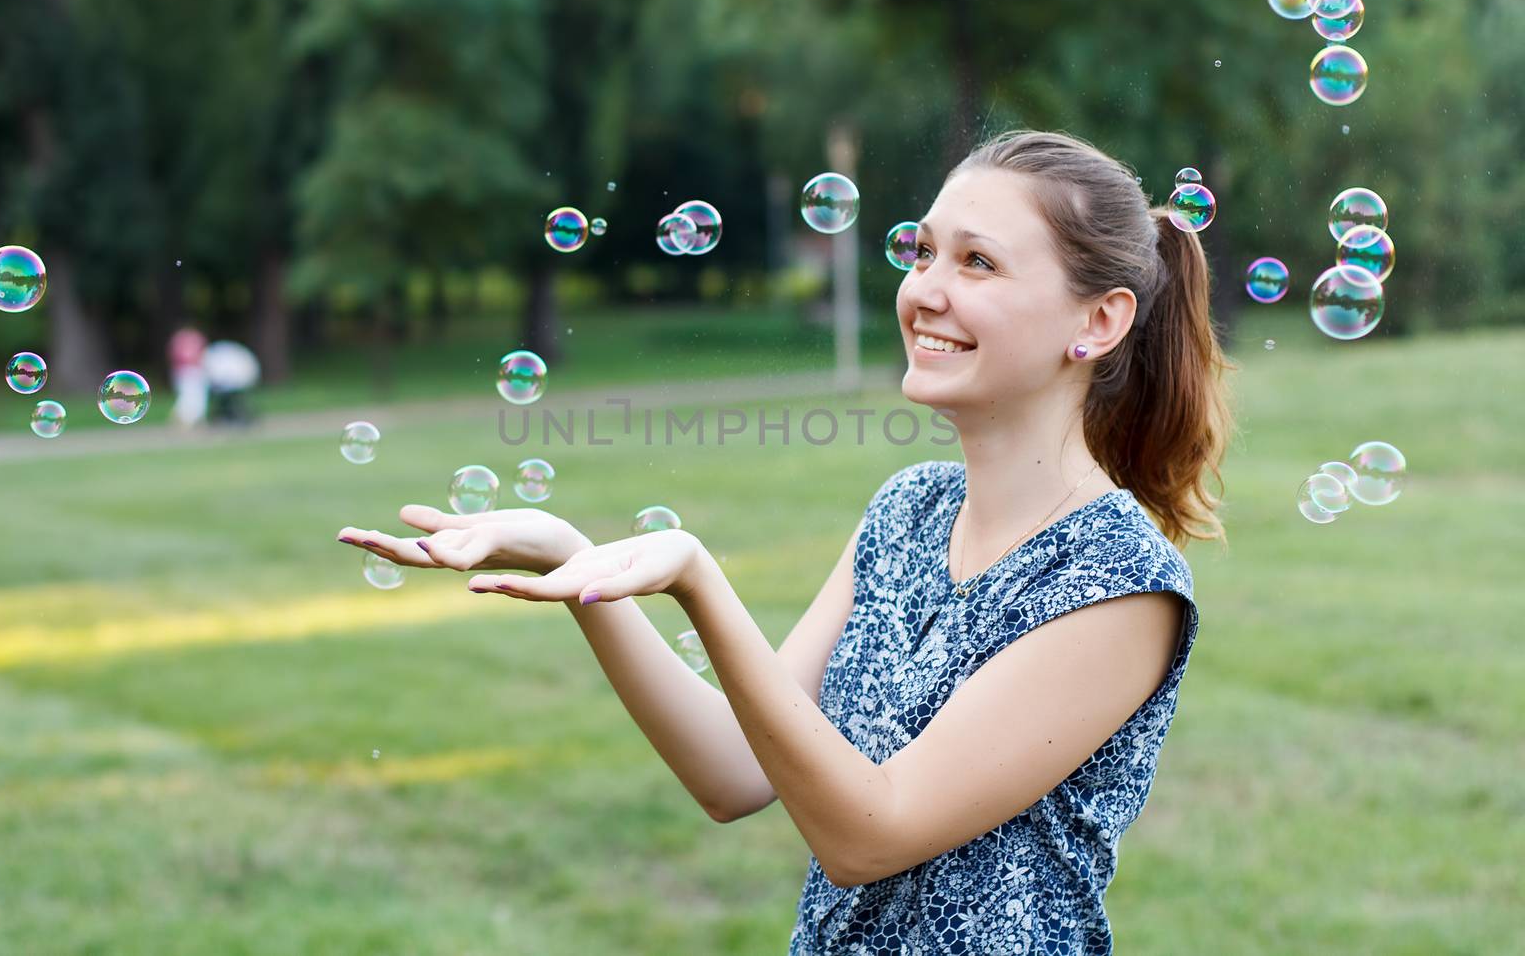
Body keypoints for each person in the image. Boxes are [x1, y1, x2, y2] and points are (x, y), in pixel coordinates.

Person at [336, 129, 1235, 955]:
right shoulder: (908, 511)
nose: (925, 289)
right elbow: (733, 768)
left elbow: (868, 834)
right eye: (924, 252)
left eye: (979, 262)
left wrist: (698, 578)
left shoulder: (1119, 581)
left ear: (1099, 321)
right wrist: (570, 556)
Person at [167, 325, 209, 429]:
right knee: (190, 397)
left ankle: (191, 420)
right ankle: (184, 420)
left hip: (189, 371)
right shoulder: (193, 339)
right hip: (187, 372)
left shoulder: (179, 339)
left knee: (193, 397)